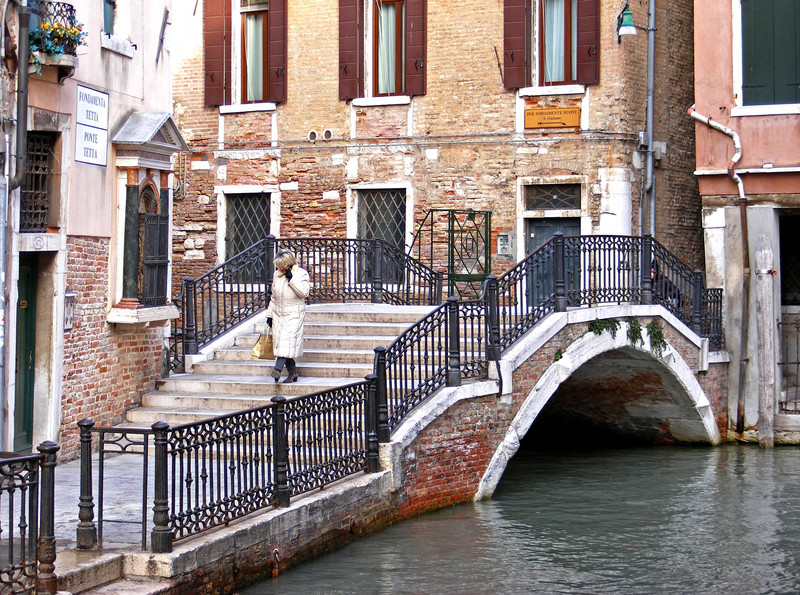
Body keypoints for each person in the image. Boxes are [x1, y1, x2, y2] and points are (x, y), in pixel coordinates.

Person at [265, 250, 310, 383]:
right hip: (279, 313)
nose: (280, 268)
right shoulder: (277, 275)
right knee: (284, 344)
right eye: (278, 266)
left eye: (282, 265)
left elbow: (304, 293)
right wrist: (270, 316)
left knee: (286, 341)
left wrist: (292, 280)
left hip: (294, 313)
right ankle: (293, 372)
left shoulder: (301, 274)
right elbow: (274, 297)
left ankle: (277, 370)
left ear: (289, 264)